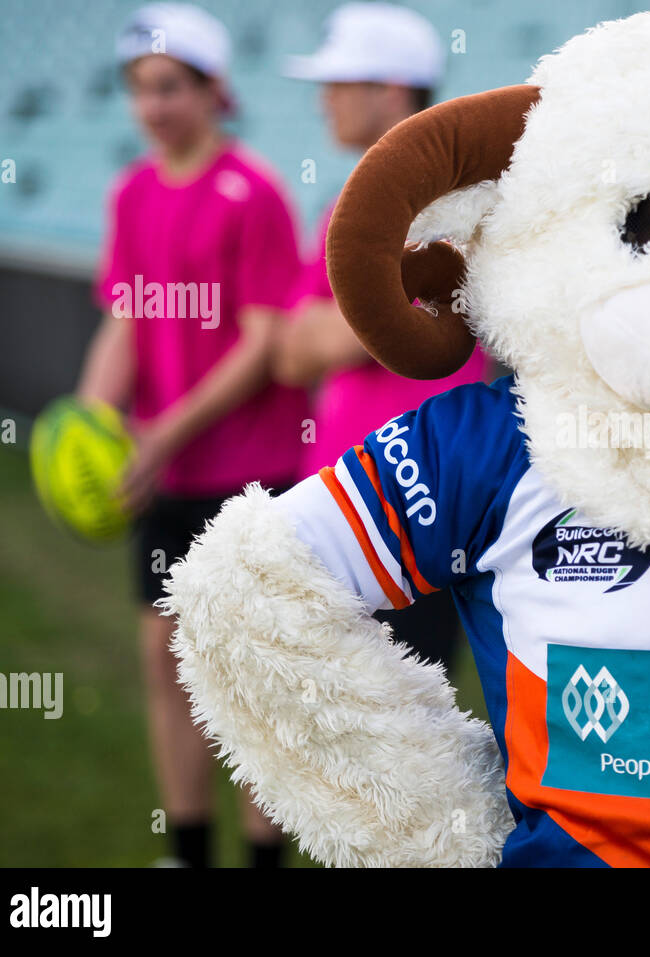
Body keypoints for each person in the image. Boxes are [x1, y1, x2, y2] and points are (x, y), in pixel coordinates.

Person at [76, 3, 305, 867]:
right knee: (164, 660)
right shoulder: (131, 192)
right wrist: (93, 418)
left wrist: (164, 431)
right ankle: (189, 851)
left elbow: (262, 343)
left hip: (251, 474)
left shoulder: (255, 193)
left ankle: (262, 855)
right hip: (163, 478)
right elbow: (126, 321)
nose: (153, 107)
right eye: (139, 90)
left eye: (170, 87)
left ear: (215, 90)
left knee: (248, 678)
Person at [277, 3, 489, 668]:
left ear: (390, 91)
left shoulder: (457, 203)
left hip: (414, 508)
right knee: (294, 730)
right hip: (335, 499)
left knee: (393, 746)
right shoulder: (352, 199)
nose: (324, 103)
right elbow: (291, 351)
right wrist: (388, 312)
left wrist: (355, 323)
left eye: (339, 85)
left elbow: (414, 322)